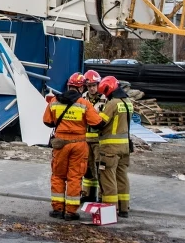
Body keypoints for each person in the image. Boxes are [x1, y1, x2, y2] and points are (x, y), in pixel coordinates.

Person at [42, 72, 103, 220]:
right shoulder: (84, 104)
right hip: (78, 144)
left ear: (68, 85)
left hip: (60, 144)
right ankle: (70, 211)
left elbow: (47, 122)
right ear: (81, 88)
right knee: (74, 177)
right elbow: (97, 123)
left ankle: (57, 209)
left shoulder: (55, 101)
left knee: (58, 175)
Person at [96, 75, 134, 217]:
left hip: (110, 149)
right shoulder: (128, 102)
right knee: (122, 177)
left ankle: (110, 211)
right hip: (125, 148)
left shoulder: (112, 103)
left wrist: (94, 114)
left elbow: (100, 122)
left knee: (108, 178)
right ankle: (124, 208)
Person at [81, 69, 103, 204]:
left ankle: (101, 195)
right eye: (89, 86)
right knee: (87, 168)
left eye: (94, 85)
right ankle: (88, 194)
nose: (92, 88)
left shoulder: (105, 99)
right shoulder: (83, 98)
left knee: (100, 168)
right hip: (86, 138)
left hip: (99, 139)